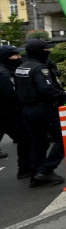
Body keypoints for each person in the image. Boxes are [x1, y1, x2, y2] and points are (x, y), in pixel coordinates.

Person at [14, 39, 66, 188]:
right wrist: (63, 93)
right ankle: (46, 170)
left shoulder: (22, 67)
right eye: (46, 50)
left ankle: (36, 175)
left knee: (38, 142)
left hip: (27, 109)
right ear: (41, 52)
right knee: (63, 139)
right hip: (44, 109)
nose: (48, 52)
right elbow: (46, 89)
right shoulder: (40, 68)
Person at [0, 45, 28, 173]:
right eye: (15, 55)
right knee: (24, 138)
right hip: (8, 113)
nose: (19, 57)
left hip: (6, 112)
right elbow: (10, 95)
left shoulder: (7, 70)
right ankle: (24, 169)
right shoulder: (4, 74)